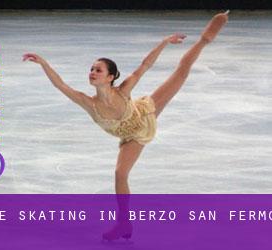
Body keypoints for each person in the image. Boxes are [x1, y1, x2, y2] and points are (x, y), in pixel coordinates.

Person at [23, 11, 229, 240]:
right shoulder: (88, 103)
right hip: (133, 137)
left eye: (98, 70)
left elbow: (145, 65)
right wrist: (43, 63)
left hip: (147, 112)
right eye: (91, 69)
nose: (92, 73)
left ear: (110, 77)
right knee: (120, 174)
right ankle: (124, 223)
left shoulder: (123, 90)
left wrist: (164, 42)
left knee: (180, 72)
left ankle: (204, 39)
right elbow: (60, 85)